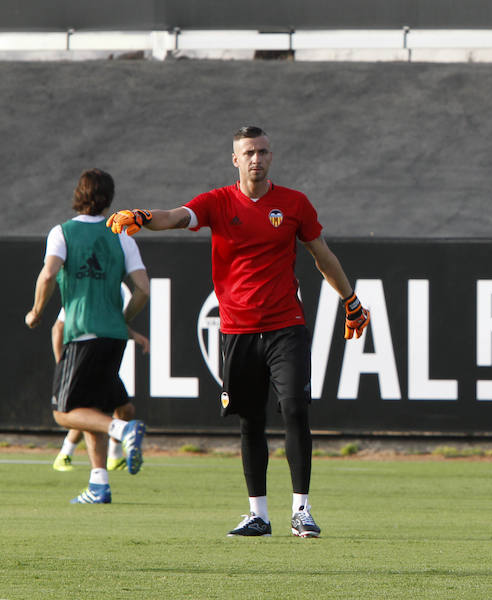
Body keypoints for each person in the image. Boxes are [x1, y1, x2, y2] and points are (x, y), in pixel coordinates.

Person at [106, 125, 370, 538]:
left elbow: (322, 255)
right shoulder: (217, 202)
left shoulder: (294, 204)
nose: (256, 159)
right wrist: (142, 217)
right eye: (248, 152)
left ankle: (302, 509)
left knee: (296, 409)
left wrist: (350, 300)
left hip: (287, 327)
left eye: (263, 151)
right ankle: (258, 515)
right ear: (235, 159)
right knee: (250, 421)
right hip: (238, 331)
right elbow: (176, 216)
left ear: (271, 156)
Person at [25, 168, 150, 504]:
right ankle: (98, 484)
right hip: (113, 336)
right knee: (94, 406)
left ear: (78, 195)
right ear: (109, 199)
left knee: (64, 412)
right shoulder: (123, 237)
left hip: (81, 333)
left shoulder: (61, 233)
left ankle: (123, 430)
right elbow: (143, 290)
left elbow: (49, 274)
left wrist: (36, 311)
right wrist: (123, 320)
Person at [51, 310, 150, 472]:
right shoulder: (84, 289)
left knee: (123, 410)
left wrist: (133, 334)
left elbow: (116, 320)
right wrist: (60, 364)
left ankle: (114, 456)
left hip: (104, 356)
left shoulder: (114, 290)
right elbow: (58, 327)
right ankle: (66, 454)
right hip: (85, 355)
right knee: (81, 412)